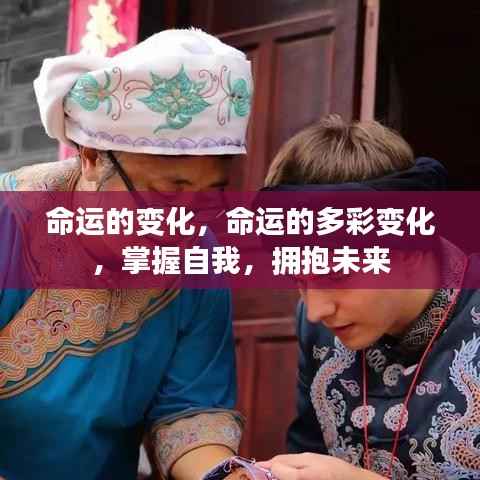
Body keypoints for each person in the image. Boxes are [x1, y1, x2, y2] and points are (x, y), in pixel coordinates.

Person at [0, 29, 253, 480]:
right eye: (165, 194)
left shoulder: (198, 258)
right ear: (92, 158)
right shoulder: (10, 221)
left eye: (207, 197)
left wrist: (227, 476)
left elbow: (189, 415)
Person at [257, 115, 480, 480]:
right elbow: (306, 451)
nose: (315, 311)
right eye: (299, 280)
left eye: (336, 276)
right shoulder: (319, 329)